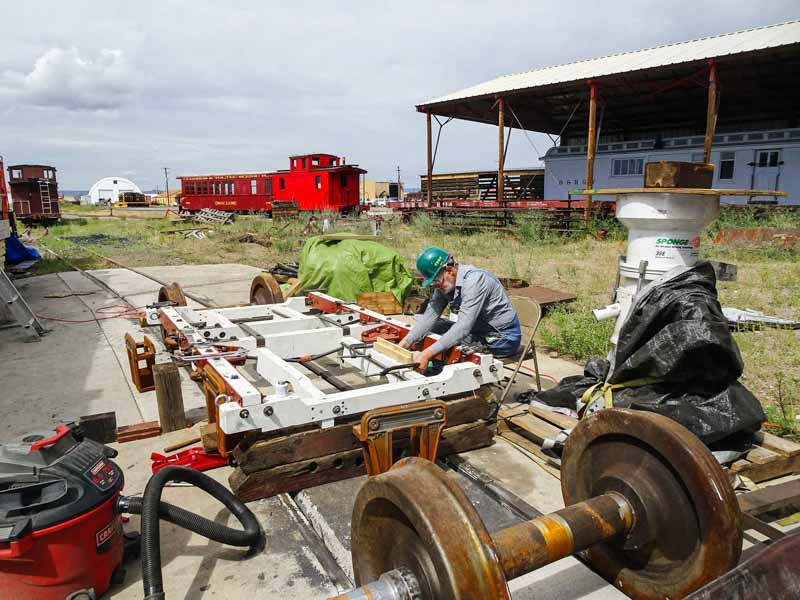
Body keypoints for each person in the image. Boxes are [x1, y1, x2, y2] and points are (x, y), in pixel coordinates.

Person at [399, 247, 522, 371]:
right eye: (432, 284)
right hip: (477, 331)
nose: (436, 286)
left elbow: (463, 327)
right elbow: (430, 316)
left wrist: (426, 354)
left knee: (451, 349)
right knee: (433, 331)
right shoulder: (445, 284)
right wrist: (405, 343)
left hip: (502, 338)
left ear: (450, 270)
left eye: (437, 281)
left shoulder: (475, 281)